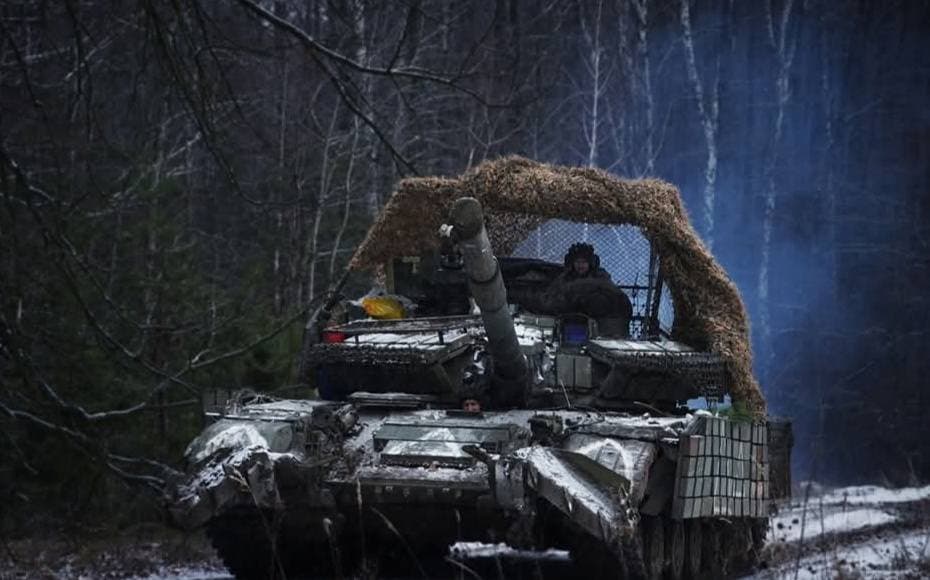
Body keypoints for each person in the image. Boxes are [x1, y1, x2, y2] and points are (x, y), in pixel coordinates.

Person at [545, 243, 632, 337]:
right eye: (577, 262)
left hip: (599, 319)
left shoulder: (600, 276)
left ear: (590, 263)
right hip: (571, 320)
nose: (580, 265)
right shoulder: (565, 278)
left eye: (584, 262)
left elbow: (611, 293)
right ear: (572, 263)